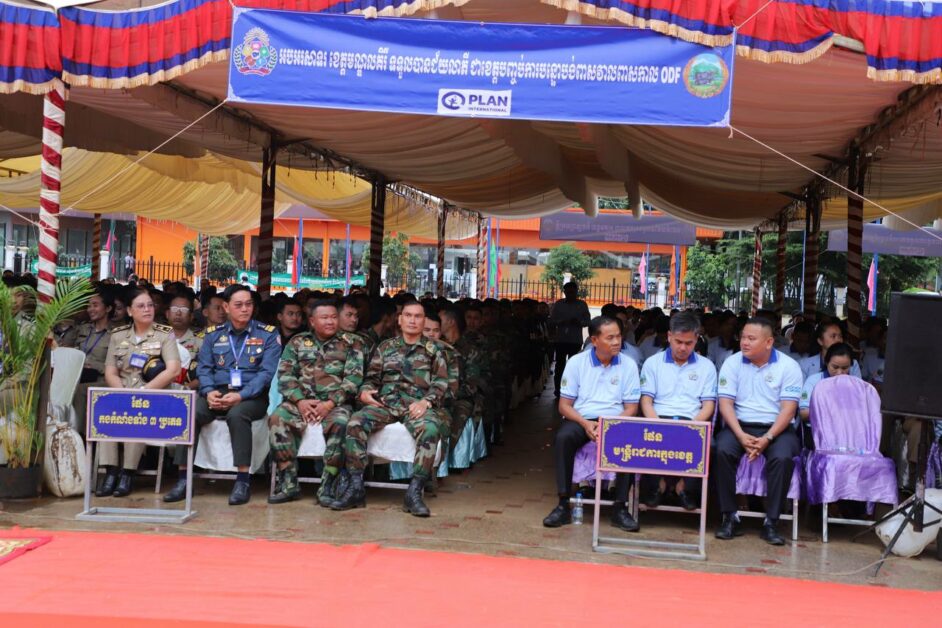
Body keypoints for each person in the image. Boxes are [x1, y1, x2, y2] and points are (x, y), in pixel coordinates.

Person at [163, 285, 280, 506]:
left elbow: (266, 374)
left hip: (252, 396)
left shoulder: (268, 334)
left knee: (237, 415)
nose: (245, 309)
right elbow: (204, 368)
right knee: (190, 413)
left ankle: (242, 481)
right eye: (239, 305)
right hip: (217, 391)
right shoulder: (213, 335)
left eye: (249, 304)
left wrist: (241, 395)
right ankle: (183, 478)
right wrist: (208, 392)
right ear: (226, 307)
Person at [330, 301, 449, 516]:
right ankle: (356, 487)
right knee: (355, 422)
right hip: (385, 404)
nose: (413, 320)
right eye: (408, 315)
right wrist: (365, 392)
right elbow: (371, 378)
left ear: (424, 321)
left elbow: (441, 383)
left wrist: (426, 402)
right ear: (400, 320)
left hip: (415, 406)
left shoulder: (434, 350)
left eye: (418, 316)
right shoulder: (385, 347)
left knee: (431, 429)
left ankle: (414, 491)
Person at [542, 315, 641, 533]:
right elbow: (564, 406)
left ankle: (620, 507)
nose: (616, 342)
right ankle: (563, 504)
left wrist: (610, 425)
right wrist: (586, 424)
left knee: (629, 440)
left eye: (618, 337)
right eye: (610, 338)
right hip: (582, 418)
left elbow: (632, 408)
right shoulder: (577, 363)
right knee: (563, 438)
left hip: (615, 420)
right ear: (594, 340)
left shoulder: (629, 365)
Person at [714, 317, 803, 545]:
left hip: (777, 429)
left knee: (782, 458)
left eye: (751, 339)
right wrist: (740, 435)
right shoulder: (732, 363)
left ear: (769, 342)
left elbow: (789, 410)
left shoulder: (788, 366)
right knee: (721, 450)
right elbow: (725, 405)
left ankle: (771, 522)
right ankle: (729, 516)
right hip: (739, 425)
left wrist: (768, 438)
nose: (744, 342)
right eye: (743, 337)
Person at [268, 300, 363, 505]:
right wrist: (300, 401)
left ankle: (328, 484)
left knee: (341, 424)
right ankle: (288, 483)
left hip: (335, 404)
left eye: (334, 317)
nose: (330, 321)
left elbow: (353, 380)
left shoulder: (351, 342)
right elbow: (285, 375)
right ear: (312, 321)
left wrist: (329, 404)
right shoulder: (297, 342)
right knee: (277, 418)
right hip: (299, 402)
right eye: (324, 317)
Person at [100, 287, 180, 497]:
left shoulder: (164, 335)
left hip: (152, 397)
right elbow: (110, 372)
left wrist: (142, 392)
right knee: (104, 412)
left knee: (136, 412)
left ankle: (127, 473)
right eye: (141, 306)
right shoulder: (118, 336)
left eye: (150, 305)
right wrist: (122, 394)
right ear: (129, 311)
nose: (147, 309)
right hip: (123, 393)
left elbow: (173, 370)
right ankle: (110, 472)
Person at [639, 312, 717, 510]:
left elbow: (708, 405)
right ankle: (658, 486)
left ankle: (684, 487)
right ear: (669, 336)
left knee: (711, 446)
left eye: (688, 343)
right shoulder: (652, 363)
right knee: (645, 439)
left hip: (692, 420)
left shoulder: (707, 367)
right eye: (678, 342)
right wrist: (658, 425)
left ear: (697, 339)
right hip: (658, 418)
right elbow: (646, 402)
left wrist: (692, 426)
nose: (683, 348)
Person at [60, 289, 114, 433]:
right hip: (78, 374)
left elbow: (119, 365)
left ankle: (78, 433)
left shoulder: (115, 334)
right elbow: (65, 348)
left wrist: (94, 365)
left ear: (108, 308)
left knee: (79, 390)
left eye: (95, 305)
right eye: (89, 306)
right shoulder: (82, 328)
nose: (90, 309)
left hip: (101, 378)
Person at [549, 281, 591, 397]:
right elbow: (552, 320)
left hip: (575, 340)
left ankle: (572, 390)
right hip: (561, 339)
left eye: (572, 292)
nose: (570, 294)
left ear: (576, 292)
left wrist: (579, 322)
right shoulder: (559, 304)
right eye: (568, 292)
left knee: (574, 366)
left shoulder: (582, 305)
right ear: (565, 292)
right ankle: (558, 389)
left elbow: (588, 321)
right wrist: (560, 322)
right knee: (560, 366)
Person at [799, 342, 855, 421]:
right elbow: (804, 413)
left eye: (844, 368)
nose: (839, 372)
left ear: (851, 365)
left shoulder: (856, 385)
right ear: (826, 362)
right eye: (835, 367)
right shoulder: (814, 381)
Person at [166, 293, 203, 390]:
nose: (178, 313)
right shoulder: (157, 338)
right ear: (167, 314)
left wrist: (184, 389)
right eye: (174, 309)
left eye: (184, 310)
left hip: (189, 392)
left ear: (191, 316)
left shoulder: (201, 342)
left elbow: (206, 373)